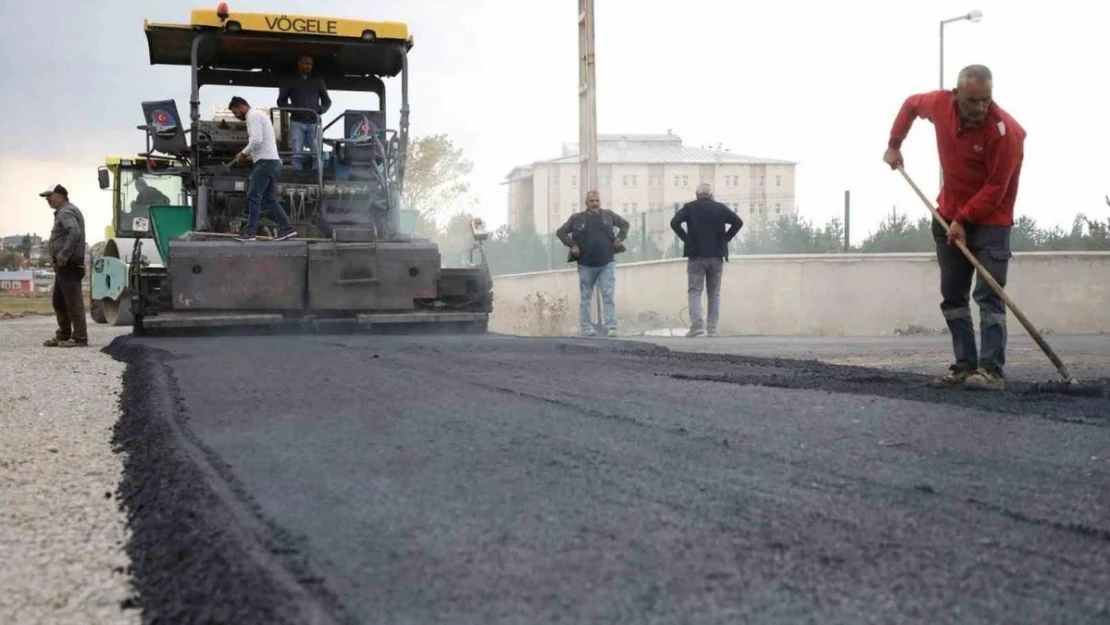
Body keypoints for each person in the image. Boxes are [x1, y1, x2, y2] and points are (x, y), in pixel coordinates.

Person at [883, 64, 1026, 391]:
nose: (980, 108)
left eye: (986, 100)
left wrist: (963, 219)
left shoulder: (1007, 133)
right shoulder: (939, 105)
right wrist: (894, 144)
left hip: (990, 223)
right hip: (947, 216)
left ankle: (991, 371)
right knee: (953, 297)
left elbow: (996, 188)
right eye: (973, 100)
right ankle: (964, 367)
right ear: (956, 94)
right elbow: (909, 105)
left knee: (989, 296)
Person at [670, 182, 744, 337]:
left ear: (696, 194)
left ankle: (697, 326)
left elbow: (674, 222)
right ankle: (712, 329)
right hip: (716, 256)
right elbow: (738, 222)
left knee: (695, 291)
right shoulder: (720, 208)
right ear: (711, 195)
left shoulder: (689, 208)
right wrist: (725, 239)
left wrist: (687, 239)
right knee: (714, 293)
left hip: (696, 255)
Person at [555, 190, 630, 337]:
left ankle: (611, 326)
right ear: (586, 203)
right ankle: (586, 327)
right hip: (585, 264)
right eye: (592, 201)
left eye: (597, 201)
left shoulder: (608, 215)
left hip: (606, 262)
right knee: (586, 297)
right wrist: (572, 245)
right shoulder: (577, 219)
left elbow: (625, 224)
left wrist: (620, 238)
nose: (595, 203)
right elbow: (561, 232)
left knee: (608, 294)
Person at [228, 96, 297, 242]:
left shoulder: (253, 116)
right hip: (273, 163)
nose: (236, 116)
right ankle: (287, 228)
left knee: (253, 196)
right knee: (269, 199)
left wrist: (243, 153)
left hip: (265, 163)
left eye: (235, 112)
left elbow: (256, 139)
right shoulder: (259, 115)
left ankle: (250, 232)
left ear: (241, 107)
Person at [40, 184, 87, 347]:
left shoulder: (66, 212)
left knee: (73, 302)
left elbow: (74, 232)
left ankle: (80, 338)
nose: (47, 199)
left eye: (49, 196)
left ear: (60, 196)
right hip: (64, 264)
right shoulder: (63, 211)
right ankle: (64, 335)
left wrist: (64, 254)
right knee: (59, 301)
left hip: (69, 263)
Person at [276, 55, 332, 173]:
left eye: (310, 64)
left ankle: (317, 173)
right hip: (297, 121)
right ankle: (298, 173)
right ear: (299, 64)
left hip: (314, 121)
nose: (308, 66)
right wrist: (293, 109)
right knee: (297, 150)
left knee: (316, 149)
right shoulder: (290, 80)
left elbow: (327, 101)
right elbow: (281, 101)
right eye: (305, 64)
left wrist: (321, 109)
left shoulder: (317, 81)